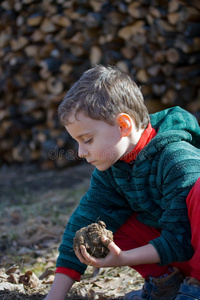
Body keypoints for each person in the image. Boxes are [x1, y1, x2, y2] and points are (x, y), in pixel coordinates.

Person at [44, 65, 200, 300]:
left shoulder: (177, 158)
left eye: (87, 139)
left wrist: (124, 258)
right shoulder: (113, 167)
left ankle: (194, 288)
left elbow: (182, 238)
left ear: (123, 125)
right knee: (101, 218)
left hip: (189, 247)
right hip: (178, 254)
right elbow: (83, 221)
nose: (80, 152)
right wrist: (54, 296)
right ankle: (167, 283)